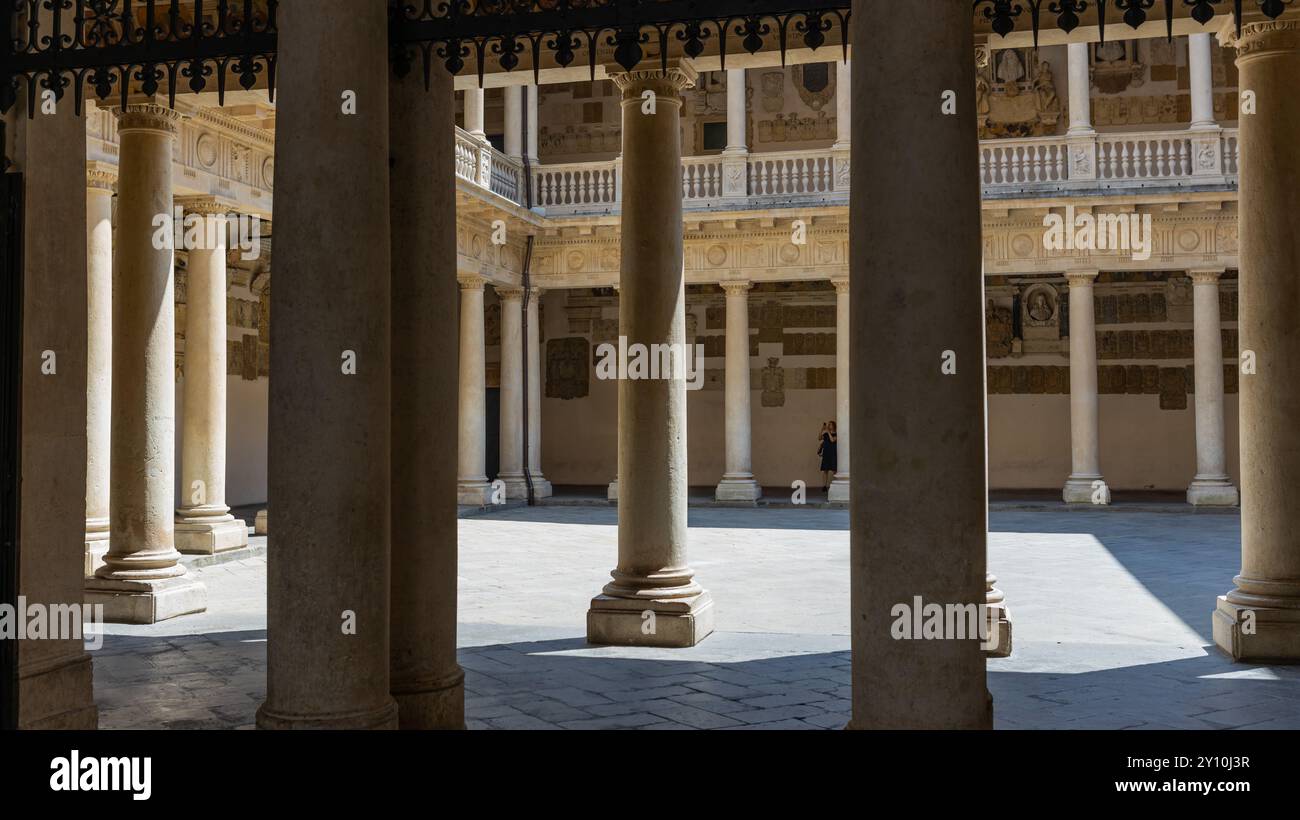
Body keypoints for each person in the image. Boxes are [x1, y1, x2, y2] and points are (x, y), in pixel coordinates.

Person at [818, 420, 838, 492]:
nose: (829, 426)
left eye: (830, 425)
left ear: (834, 426)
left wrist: (828, 432)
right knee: (825, 470)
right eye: (828, 425)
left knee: (834, 470)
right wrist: (822, 429)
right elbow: (819, 438)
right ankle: (824, 486)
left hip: (833, 454)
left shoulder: (837, 434)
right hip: (826, 454)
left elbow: (832, 440)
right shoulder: (826, 434)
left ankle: (836, 485)